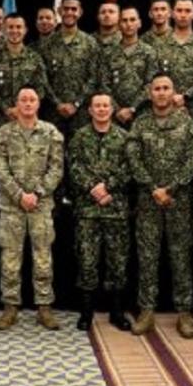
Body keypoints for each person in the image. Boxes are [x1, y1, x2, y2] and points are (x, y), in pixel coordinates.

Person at [128, 74, 193, 338]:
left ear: (174, 92)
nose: (161, 93)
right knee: (148, 257)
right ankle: (146, 311)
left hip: (178, 200)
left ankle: (184, 313)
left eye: (166, 88)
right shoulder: (141, 123)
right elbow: (133, 157)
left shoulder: (186, 122)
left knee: (180, 257)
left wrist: (171, 188)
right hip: (148, 200)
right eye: (156, 88)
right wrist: (152, 188)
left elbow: (192, 159)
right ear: (149, 93)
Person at [0, 86, 65, 331]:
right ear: (16, 104)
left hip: (40, 206)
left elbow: (56, 168)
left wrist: (37, 193)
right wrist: (19, 194)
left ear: (38, 104)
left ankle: (44, 307)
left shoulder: (51, 133)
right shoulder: (3, 133)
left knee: (43, 257)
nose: (27, 103)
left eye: (32, 99)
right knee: (10, 259)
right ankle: (10, 307)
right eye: (23, 99)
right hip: (11, 206)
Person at [69, 93, 131, 332]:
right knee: (87, 261)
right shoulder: (79, 137)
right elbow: (73, 166)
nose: (102, 109)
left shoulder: (124, 138)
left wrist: (109, 188)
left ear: (112, 109)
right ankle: (86, 313)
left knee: (118, 263)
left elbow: (129, 167)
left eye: (106, 105)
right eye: (97, 106)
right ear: (90, 110)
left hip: (116, 209)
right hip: (88, 210)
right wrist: (92, 188)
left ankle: (117, 312)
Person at [0, 14, 52, 131]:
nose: (14, 31)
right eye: (10, 27)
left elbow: (42, 87)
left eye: (18, 27)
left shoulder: (35, 57)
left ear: (25, 30)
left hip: (28, 118)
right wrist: (6, 108)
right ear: (4, 30)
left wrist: (23, 109)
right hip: (1, 119)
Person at [40, 0, 98, 135]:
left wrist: (76, 104)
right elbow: (42, 78)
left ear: (80, 12)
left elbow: (94, 77)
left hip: (81, 113)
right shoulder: (47, 44)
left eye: (74, 9)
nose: (70, 12)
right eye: (66, 9)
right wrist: (57, 104)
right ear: (59, 11)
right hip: (53, 112)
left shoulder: (90, 43)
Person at [96, 5, 158, 128]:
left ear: (139, 23)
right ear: (119, 25)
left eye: (132, 20)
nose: (129, 24)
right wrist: (117, 109)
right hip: (114, 116)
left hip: (142, 114)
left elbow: (150, 84)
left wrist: (132, 108)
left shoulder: (149, 52)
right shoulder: (109, 54)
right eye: (124, 20)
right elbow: (104, 84)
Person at [151, 0, 193, 116]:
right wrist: (170, 95)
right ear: (172, 13)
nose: (183, 15)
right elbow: (154, 75)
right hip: (167, 109)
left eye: (188, 11)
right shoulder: (159, 45)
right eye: (179, 10)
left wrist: (186, 96)